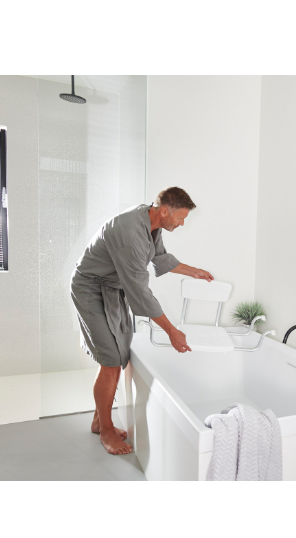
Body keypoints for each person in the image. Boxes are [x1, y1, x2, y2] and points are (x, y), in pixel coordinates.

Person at [70, 187, 214, 455]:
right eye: (181, 218)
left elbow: (159, 257)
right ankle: (106, 431)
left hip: (110, 287)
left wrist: (193, 271)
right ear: (164, 211)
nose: (182, 224)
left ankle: (99, 420)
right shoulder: (130, 235)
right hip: (90, 288)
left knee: (118, 352)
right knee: (110, 360)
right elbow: (140, 292)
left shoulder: (150, 221)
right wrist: (171, 331)